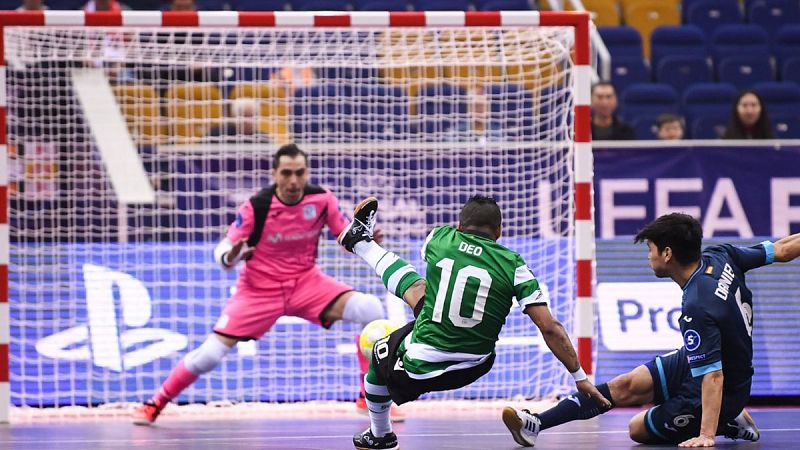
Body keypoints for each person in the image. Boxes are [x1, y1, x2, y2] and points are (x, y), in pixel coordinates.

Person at [132, 144, 395, 425]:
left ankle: (367, 397)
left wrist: (365, 242)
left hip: (307, 284)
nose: (293, 180)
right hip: (258, 291)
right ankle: (156, 402)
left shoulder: (322, 200)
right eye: (286, 173)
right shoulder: (257, 206)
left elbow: (345, 237)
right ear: (274, 174)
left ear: (306, 173)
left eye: (299, 173)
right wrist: (232, 256)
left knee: (369, 308)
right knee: (208, 356)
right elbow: (223, 253)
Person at [504, 213, 800, 447]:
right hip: (700, 360)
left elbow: (713, 376)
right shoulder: (720, 256)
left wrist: (707, 434)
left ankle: (727, 419)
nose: (649, 255)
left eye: (651, 248)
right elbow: (784, 250)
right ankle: (536, 425)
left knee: (637, 428)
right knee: (626, 385)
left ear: (668, 253)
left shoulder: (698, 304)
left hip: (725, 384)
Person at [338, 195, 609, 450]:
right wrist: (579, 377)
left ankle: (380, 435)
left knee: (378, 351)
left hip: (424, 363)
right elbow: (549, 327)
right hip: (476, 362)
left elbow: (443, 274)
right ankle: (360, 241)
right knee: (420, 290)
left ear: (459, 225)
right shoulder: (515, 265)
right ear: (499, 232)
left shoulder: (439, 238)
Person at [207, 98, 273, 143]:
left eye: (251, 116)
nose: (248, 120)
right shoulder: (216, 135)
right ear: (234, 116)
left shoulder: (264, 140)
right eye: (244, 116)